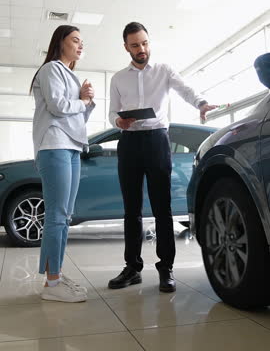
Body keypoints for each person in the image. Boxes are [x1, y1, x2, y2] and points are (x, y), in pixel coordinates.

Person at [108, 22, 216, 293]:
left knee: (162, 209)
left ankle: (165, 268)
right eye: (135, 45)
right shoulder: (118, 78)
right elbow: (112, 113)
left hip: (157, 141)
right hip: (130, 142)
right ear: (126, 47)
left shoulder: (164, 71)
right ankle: (132, 268)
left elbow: (186, 89)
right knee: (131, 210)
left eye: (144, 43)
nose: (141, 49)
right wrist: (118, 122)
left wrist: (201, 103)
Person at [30, 25, 95, 302]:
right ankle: (54, 284)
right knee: (57, 215)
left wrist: (87, 102)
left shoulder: (71, 76)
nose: (81, 46)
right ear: (60, 43)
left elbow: (76, 118)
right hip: (54, 145)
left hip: (71, 146)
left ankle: (53, 277)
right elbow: (58, 106)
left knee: (65, 216)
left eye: (82, 42)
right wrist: (81, 100)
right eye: (75, 41)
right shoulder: (50, 70)